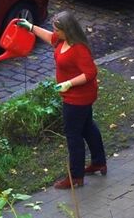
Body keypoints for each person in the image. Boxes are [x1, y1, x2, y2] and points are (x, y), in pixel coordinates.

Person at [18, 12, 106, 189]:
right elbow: (50, 37)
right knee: (88, 127)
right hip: (77, 97)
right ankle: (98, 162)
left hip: (77, 99)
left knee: (73, 136)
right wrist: (31, 27)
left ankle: (76, 177)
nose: (54, 32)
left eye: (57, 29)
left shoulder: (79, 48)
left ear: (67, 30)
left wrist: (68, 84)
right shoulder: (61, 40)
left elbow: (90, 73)